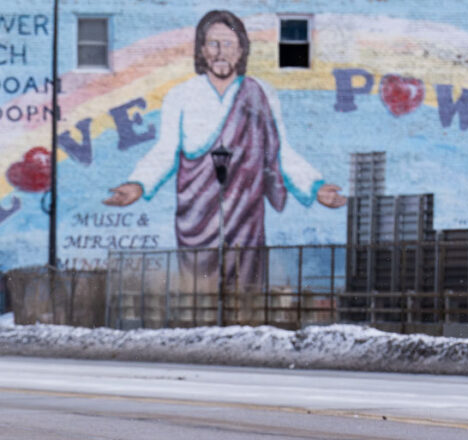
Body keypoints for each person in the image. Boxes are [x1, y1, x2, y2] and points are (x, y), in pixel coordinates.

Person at [104, 9, 346, 290]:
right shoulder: (180, 96)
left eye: (229, 44)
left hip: (246, 217)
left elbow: (281, 152)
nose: (221, 52)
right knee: (198, 293)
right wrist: (137, 185)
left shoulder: (260, 93)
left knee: (247, 292)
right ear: (202, 49)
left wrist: (315, 188)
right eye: (213, 44)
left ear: (241, 49)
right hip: (196, 217)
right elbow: (165, 151)